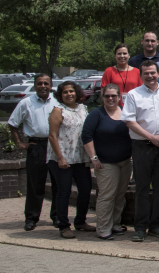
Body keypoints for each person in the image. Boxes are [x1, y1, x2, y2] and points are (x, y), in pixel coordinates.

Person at [122, 61, 159, 242]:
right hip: (142, 146)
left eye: (153, 73)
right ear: (141, 75)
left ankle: (155, 225)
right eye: (146, 73)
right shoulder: (133, 95)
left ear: (158, 74)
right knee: (142, 188)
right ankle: (140, 227)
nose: (150, 76)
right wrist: (151, 137)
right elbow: (130, 121)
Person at [81, 84, 132, 240]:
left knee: (120, 195)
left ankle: (115, 224)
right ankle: (103, 228)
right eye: (107, 96)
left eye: (113, 96)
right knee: (107, 195)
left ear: (119, 97)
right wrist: (94, 158)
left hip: (125, 162)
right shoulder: (96, 114)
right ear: (102, 98)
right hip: (105, 163)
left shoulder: (125, 112)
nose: (110, 99)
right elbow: (86, 136)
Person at [10, 74, 58, 231]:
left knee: (58, 183)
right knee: (35, 184)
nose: (43, 86)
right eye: (39, 83)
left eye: (46, 83)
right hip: (36, 146)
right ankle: (31, 218)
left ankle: (57, 216)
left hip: (55, 146)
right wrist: (19, 143)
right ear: (35, 85)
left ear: (51, 85)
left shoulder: (58, 101)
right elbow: (12, 123)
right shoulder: (26, 103)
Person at [47, 81, 93, 239]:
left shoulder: (82, 109)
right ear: (61, 95)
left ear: (77, 93)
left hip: (80, 158)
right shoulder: (58, 111)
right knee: (64, 192)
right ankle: (64, 225)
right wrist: (60, 157)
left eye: (71, 91)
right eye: (65, 92)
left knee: (86, 190)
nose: (69, 94)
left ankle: (80, 221)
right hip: (62, 159)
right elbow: (52, 135)